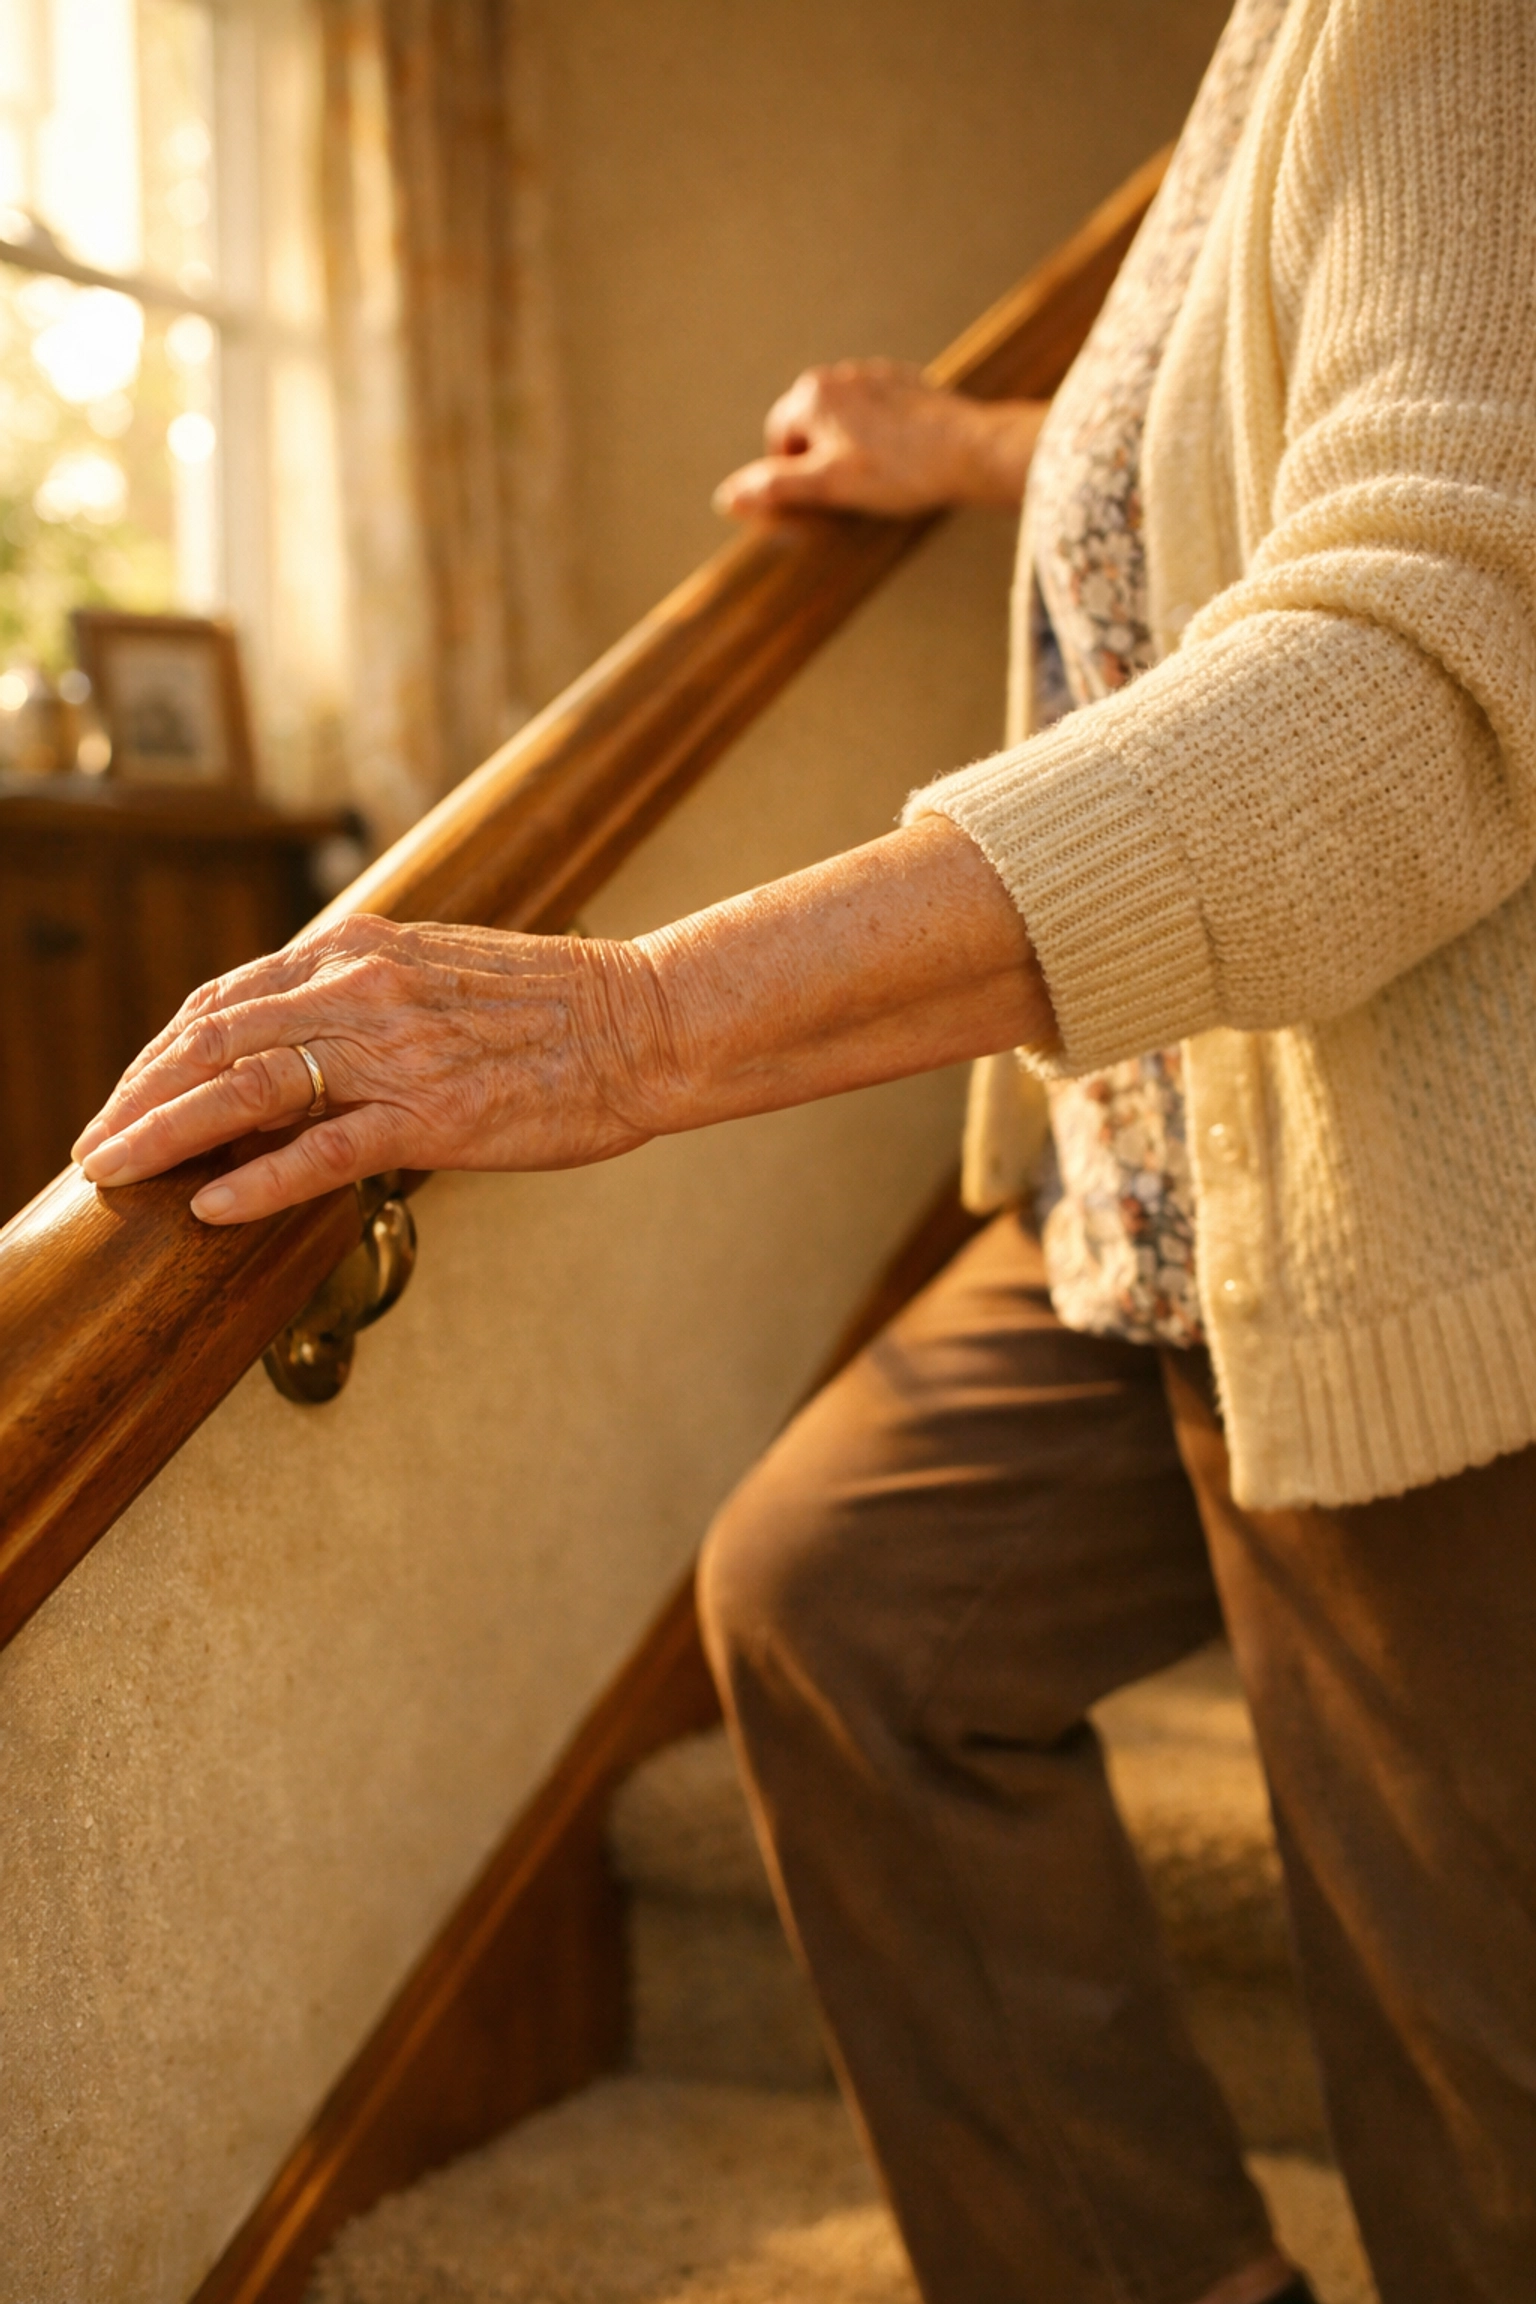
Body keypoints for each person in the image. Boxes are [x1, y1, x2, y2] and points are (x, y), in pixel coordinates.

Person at [73, 3, 1536, 2298]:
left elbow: (1427, 651)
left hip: (1419, 1191)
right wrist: (992, 441)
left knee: (1476, 2111)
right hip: (1146, 1176)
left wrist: (643, 1022)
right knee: (849, 1606)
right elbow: (1352, 418)